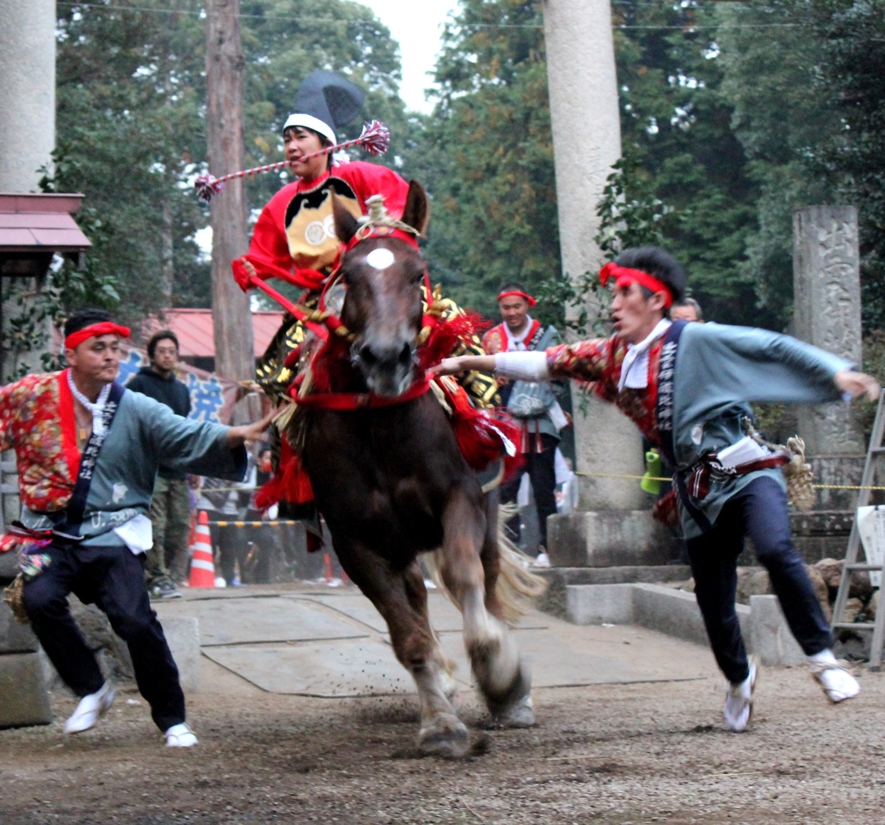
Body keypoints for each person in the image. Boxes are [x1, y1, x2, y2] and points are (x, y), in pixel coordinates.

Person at [435, 246, 881, 733]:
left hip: (747, 467)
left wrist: (832, 372)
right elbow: (544, 363)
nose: (614, 305)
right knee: (713, 598)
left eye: (625, 293)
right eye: (614, 294)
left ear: (656, 299)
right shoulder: (611, 357)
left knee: (775, 547)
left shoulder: (699, 340)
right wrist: (466, 364)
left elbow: (769, 346)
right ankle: (739, 679)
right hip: (695, 490)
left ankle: (823, 660)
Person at [0, 308, 270, 748]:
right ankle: (91, 688)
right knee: (39, 599)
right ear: (71, 354)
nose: (110, 357)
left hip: (112, 530)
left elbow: (187, 434)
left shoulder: (135, 407)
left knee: (135, 621)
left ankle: (172, 718)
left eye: (114, 349)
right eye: (97, 349)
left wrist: (242, 432)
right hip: (50, 533)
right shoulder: (35, 393)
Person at [237, 69, 496, 410]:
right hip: (321, 300)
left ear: (327, 144)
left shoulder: (360, 174)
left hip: (381, 282)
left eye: (300, 137)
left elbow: (401, 219)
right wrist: (247, 268)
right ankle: (283, 438)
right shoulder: (280, 203)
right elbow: (264, 257)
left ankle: (484, 413)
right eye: (287, 140)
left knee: (450, 323)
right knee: (278, 375)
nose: (292, 147)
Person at [482, 284, 567, 565]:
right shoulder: (492, 339)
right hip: (508, 426)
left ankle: (548, 548)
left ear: (527, 306)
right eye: (506, 308)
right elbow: (482, 383)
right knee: (506, 489)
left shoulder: (547, 336)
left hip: (542, 423)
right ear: (500, 309)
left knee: (545, 488)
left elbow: (560, 374)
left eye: (517, 307)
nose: (512, 313)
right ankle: (511, 551)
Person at [126, 330, 192, 599]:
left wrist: (192, 464)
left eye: (172, 351)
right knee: (155, 526)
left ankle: (163, 575)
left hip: (177, 468)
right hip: (150, 468)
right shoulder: (137, 386)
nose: (167, 355)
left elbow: (186, 429)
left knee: (180, 528)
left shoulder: (182, 390)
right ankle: (157, 578)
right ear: (152, 355)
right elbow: (127, 425)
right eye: (162, 351)